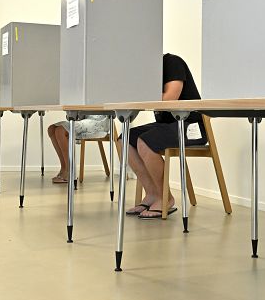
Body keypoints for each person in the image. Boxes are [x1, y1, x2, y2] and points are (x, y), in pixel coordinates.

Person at [124, 53, 206, 219]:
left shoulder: (171, 62)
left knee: (146, 141)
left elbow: (169, 98)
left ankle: (166, 198)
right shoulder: (145, 73)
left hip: (191, 125)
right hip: (167, 125)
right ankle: (153, 194)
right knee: (125, 139)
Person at [48, 115, 111, 183]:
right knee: (51, 128)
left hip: (100, 122)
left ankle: (70, 171)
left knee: (61, 130)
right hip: (85, 120)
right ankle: (64, 168)